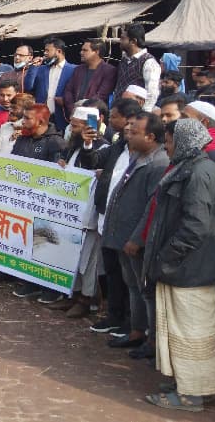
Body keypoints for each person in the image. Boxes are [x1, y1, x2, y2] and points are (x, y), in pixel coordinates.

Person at [142, 118, 215, 412]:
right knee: (192, 331)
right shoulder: (195, 167)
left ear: (184, 141)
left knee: (189, 332)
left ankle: (191, 395)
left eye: (170, 140)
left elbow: (195, 226)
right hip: (188, 265)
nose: (167, 146)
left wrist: (167, 257)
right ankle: (198, 387)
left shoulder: (199, 172)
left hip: (188, 267)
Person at [102, 112, 169, 353]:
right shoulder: (139, 156)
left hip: (136, 240)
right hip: (123, 236)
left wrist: (138, 238)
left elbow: (152, 207)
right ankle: (137, 332)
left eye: (135, 132)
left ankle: (151, 340)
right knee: (132, 285)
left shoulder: (158, 163)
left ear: (151, 136)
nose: (129, 134)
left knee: (145, 290)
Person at [81, 97, 143, 333]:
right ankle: (114, 315)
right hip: (106, 220)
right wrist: (88, 145)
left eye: (116, 117)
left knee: (131, 280)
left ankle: (131, 323)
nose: (127, 130)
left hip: (129, 227)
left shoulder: (147, 156)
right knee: (113, 273)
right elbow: (94, 161)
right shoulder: (117, 147)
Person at [57, 105, 109, 318]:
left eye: (76, 126)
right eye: (71, 125)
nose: (72, 129)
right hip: (70, 215)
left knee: (89, 261)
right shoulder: (72, 146)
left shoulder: (103, 147)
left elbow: (92, 163)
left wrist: (88, 143)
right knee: (71, 257)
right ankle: (72, 294)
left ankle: (87, 300)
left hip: (89, 216)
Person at [9, 104, 66, 298]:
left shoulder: (56, 143)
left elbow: (58, 176)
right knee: (26, 240)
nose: (22, 122)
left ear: (41, 121)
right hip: (22, 200)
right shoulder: (23, 139)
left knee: (44, 243)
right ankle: (29, 281)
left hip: (45, 204)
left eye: (26, 118)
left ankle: (51, 287)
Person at [24, 37, 77, 132]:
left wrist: (65, 100)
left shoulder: (73, 70)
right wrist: (33, 67)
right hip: (43, 118)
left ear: (59, 51)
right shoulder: (41, 69)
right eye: (45, 50)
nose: (45, 53)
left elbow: (77, 92)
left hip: (63, 117)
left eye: (48, 50)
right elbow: (28, 86)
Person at [114, 23, 160, 112]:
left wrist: (144, 114)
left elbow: (152, 92)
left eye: (123, 38)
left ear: (133, 42)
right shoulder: (124, 60)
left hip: (135, 113)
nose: (120, 41)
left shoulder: (149, 62)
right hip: (120, 111)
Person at [63, 39, 117, 113]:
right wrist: (72, 108)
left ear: (96, 52)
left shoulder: (109, 70)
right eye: (82, 50)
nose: (81, 52)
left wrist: (83, 107)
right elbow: (68, 91)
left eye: (85, 50)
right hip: (74, 113)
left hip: (94, 114)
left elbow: (102, 95)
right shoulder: (78, 69)